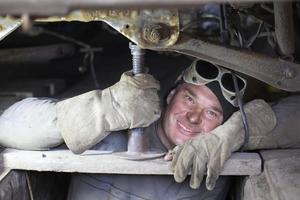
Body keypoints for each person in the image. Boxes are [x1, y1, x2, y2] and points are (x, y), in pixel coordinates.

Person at [0, 59, 297, 199]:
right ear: (170, 96)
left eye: (211, 112)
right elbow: (8, 125)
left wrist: (238, 132)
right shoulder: (114, 131)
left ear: (224, 123)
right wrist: (106, 108)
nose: (193, 118)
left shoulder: (220, 151)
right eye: (189, 98)